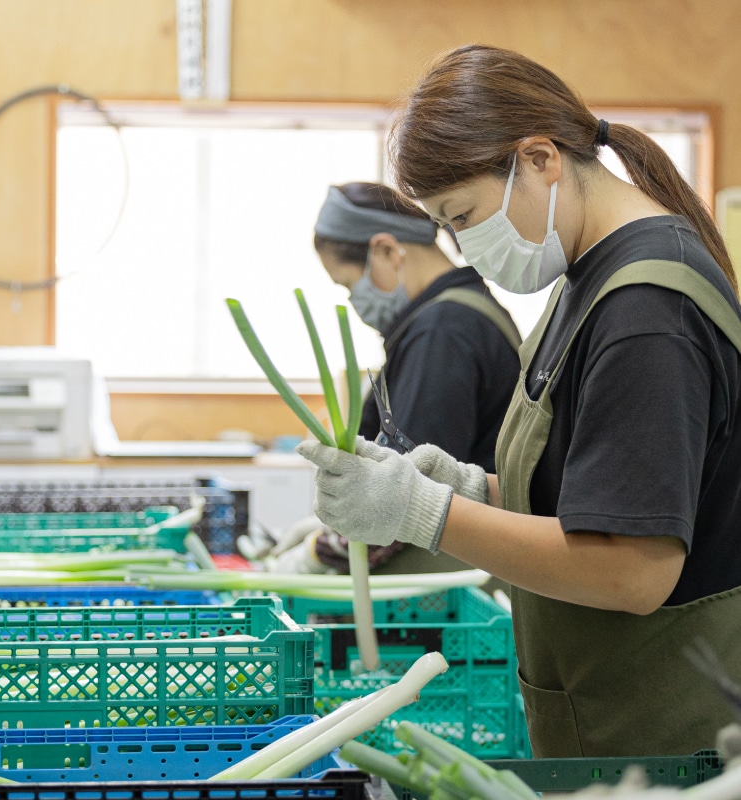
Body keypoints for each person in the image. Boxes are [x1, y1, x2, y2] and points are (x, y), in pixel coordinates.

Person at [295, 44, 741, 759]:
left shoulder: (647, 308)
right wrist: (474, 489)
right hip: (605, 713)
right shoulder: (585, 281)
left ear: (540, 159)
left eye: (466, 215)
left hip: (672, 736)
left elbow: (631, 567)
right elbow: (594, 498)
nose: (466, 249)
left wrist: (425, 513)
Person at [271, 181, 521, 575]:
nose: (354, 301)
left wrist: (316, 556)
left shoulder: (443, 331)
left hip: (450, 576)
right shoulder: (458, 313)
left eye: (349, 284)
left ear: (387, 250)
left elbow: (404, 492)